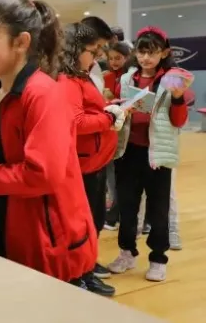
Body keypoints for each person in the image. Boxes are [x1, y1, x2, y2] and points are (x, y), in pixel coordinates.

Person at [0, 0, 97, 286]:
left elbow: (41, 175)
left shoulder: (42, 94)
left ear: (21, 42)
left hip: (50, 239)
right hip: (17, 227)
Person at [108, 26, 188, 282]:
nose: (145, 58)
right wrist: (121, 107)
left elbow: (179, 121)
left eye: (152, 53)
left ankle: (158, 258)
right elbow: (120, 111)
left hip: (157, 154)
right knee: (128, 207)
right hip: (128, 151)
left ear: (164, 53)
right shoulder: (127, 78)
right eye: (142, 52)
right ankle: (127, 253)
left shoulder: (172, 80)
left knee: (158, 209)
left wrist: (177, 98)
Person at [57, 22, 126, 296]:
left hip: (94, 161)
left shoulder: (81, 76)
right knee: (83, 224)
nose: (96, 56)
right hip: (83, 164)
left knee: (93, 220)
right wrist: (108, 117)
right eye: (92, 50)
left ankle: (86, 268)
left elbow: (87, 112)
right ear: (75, 50)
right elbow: (75, 121)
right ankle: (80, 274)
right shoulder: (67, 80)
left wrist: (108, 109)